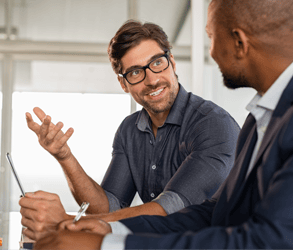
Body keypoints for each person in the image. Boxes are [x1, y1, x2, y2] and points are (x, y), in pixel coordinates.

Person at [32, 0, 293, 249]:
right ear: (123, 82)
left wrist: (102, 243)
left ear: (238, 41)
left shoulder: (225, 123)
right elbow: (214, 214)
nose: (211, 52)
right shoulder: (258, 118)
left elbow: (273, 241)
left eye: (210, 38)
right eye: (137, 72)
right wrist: (107, 228)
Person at [19, 20, 240, 239]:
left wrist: (67, 223)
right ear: (123, 84)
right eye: (135, 72)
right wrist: (64, 156)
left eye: (157, 63)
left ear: (171, 62)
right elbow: (107, 209)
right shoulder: (129, 130)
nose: (152, 79)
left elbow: (171, 207)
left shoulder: (213, 124)